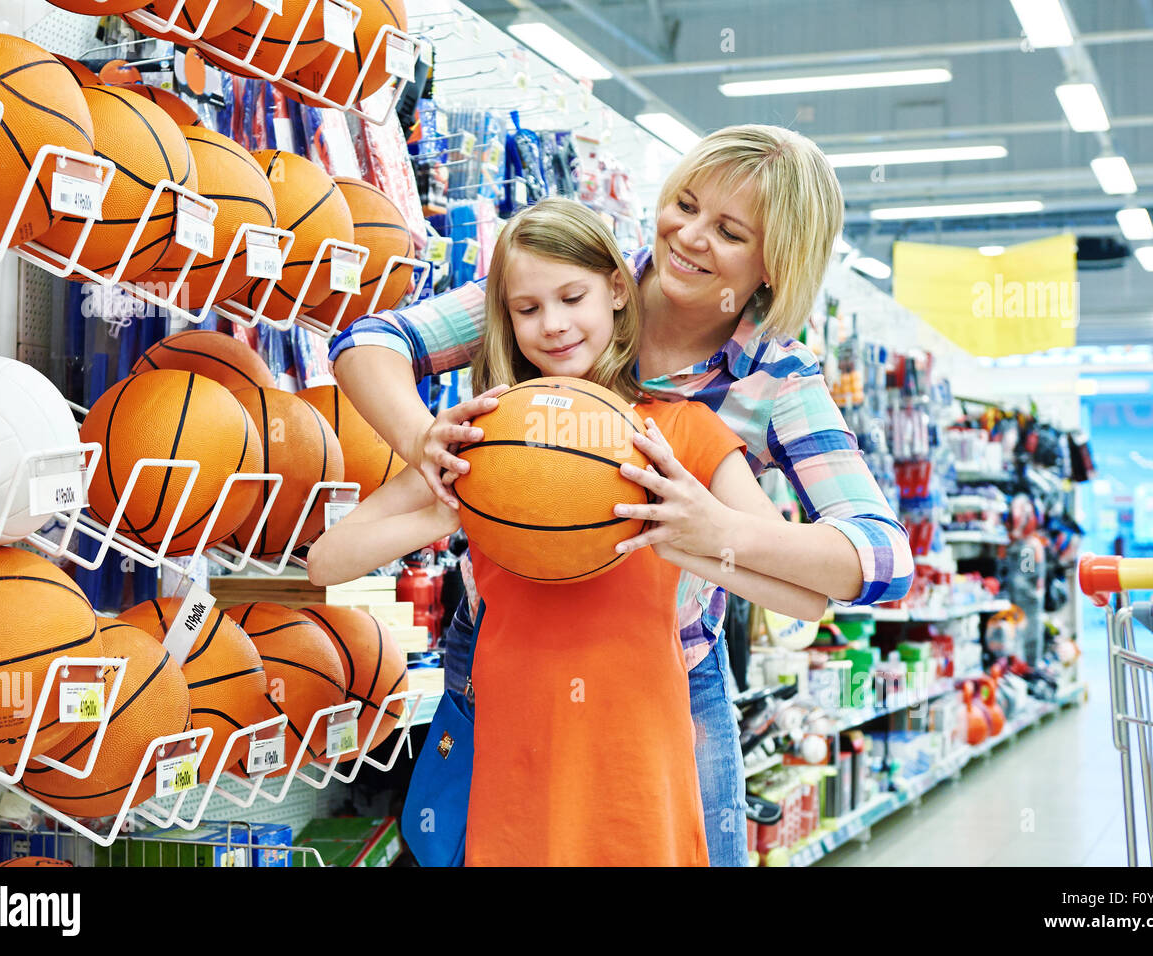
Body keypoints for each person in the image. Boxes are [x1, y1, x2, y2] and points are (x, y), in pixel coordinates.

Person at [329, 125, 914, 866]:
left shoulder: (774, 381)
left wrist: (710, 530)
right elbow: (369, 343)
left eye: (729, 231)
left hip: (669, 673)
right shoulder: (573, 286)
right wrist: (425, 444)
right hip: (505, 657)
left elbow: (881, 557)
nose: (689, 237)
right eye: (686, 204)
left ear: (775, 264)